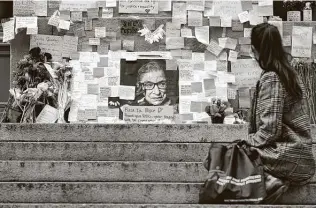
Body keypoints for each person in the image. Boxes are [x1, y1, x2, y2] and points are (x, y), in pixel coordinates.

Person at [246, 22, 315, 199]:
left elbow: (270, 130)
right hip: (297, 153)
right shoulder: (287, 73)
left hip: (288, 154)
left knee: (233, 153)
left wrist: (246, 143)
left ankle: (272, 179)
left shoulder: (272, 78)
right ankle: (271, 180)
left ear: (255, 50)